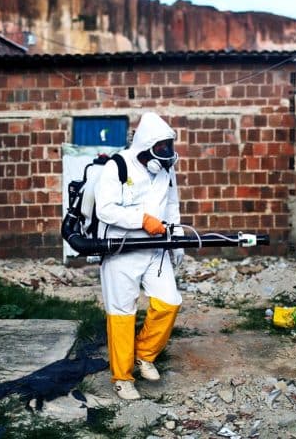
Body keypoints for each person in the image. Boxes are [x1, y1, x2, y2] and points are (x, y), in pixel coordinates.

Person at [94, 112, 185, 400]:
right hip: (121, 249)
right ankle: (122, 377)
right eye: (161, 148)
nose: (166, 153)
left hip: (155, 248)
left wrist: (178, 241)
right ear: (146, 145)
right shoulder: (117, 166)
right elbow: (104, 209)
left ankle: (144, 354)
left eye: (169, 147)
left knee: (169, 302)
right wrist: (141, 219)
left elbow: (171, 205)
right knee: (122, 313)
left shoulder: (166, 171)